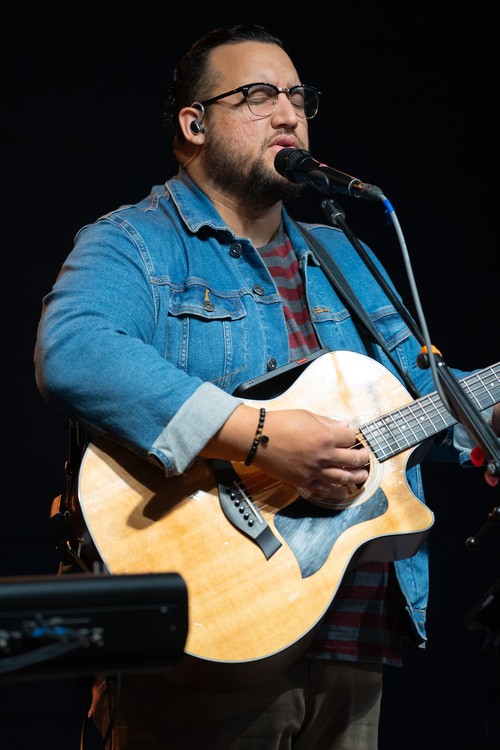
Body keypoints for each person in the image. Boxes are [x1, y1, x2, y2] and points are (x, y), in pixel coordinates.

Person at [34, 23, 499, 750]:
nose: (288, 113)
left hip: (354, 642)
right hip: (207, 640)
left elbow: (428, 402)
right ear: (194, 125)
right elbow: (74, 352)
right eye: (257, 96)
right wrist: (261, 437)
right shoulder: (135, 242)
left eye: (298, 97)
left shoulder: (345, 252)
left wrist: (485, 409)